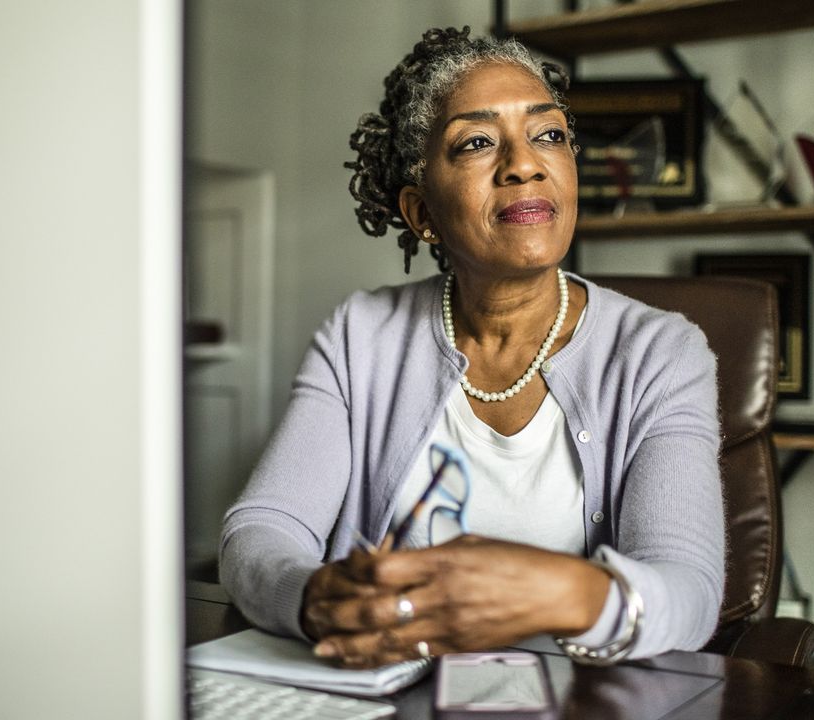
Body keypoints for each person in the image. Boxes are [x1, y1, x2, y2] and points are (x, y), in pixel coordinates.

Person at [219, 26, 724, 668]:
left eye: (549, 135)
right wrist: (313, 596)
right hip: (384, 699)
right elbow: (259, 533)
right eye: (478, 142)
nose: (525, 162)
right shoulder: (359, 336)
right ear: (421, 211)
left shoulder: (661, 352)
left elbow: (691, 596)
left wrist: (557, 589)